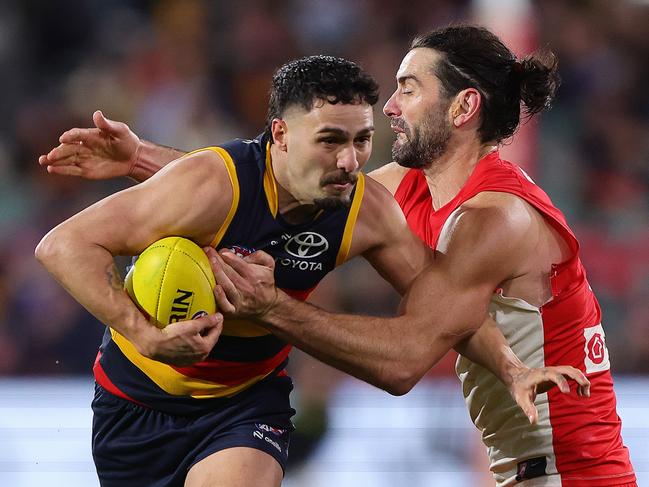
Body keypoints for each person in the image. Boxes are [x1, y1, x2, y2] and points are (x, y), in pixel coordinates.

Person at [38, 55, 589, 487]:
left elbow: (445, 307)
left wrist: (512, 367)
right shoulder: (209, 184)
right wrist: (144, 335)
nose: (349, 161)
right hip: (135, 403)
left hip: (244, 405)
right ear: (279, 135)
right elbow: (63, 245)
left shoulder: (364, 209)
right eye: (330, 140)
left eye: (361, 140)